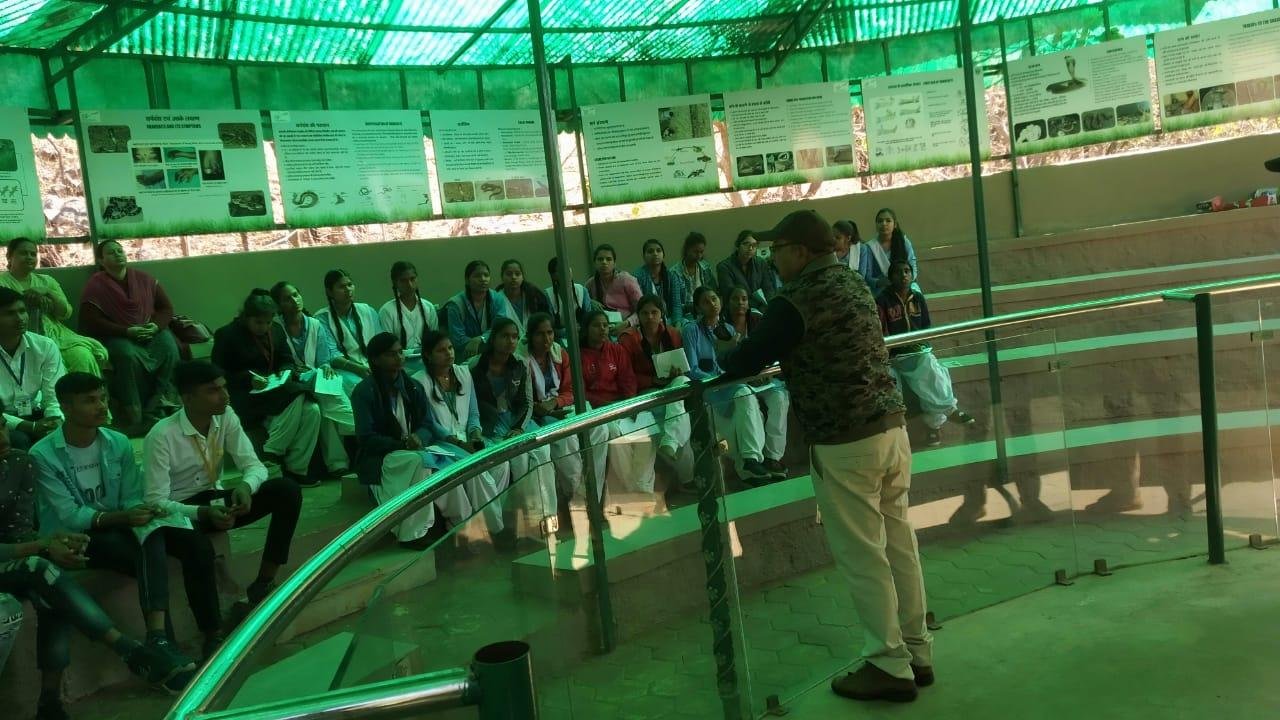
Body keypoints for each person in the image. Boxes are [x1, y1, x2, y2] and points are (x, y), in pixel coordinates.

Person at [722, 209, 931, 703]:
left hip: (846, 444)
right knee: (899, 543)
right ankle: (917, 651)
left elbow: (747, 358)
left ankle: (888, 663)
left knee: (864, 556)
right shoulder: (855, 283)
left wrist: (716, 359)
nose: (771, 259)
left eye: (777, 250)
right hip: (891, 430)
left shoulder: (794, 299)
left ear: (800, 252)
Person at [2, 422, 196, 714]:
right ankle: (130, 651)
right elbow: (39, 538)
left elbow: (21, 529)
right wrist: (42, 546)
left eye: (1, 426)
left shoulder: (18, 461)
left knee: (49, 592)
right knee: (41, 569)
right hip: (19, 560)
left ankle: (50, 701)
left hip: (23, 555)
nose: (1, 436)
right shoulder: (40, 454)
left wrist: (56, 544)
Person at [28, 373, 202, 697]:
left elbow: (131, 496)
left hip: (114, 525)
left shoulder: (117, 441)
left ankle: (159, 641)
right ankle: (166, 648)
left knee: (154, 534)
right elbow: (70, 515)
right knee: (143, 555)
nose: (101, 406)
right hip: (74, 538)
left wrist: (141, 512)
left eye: (103, 398)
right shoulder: (43, 454)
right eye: (90, 400)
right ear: (65, 406)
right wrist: (124, 516)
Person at [144, 361, 303, 632]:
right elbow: (155, 502)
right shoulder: (161, 435)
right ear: (187, 398)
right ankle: (212, 632)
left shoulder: (226, 415)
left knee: (287, 490)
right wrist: (202, 513)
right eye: (213, 391)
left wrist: (246, 487)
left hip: (214, 499)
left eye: (223, 387)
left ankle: (264, 582)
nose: (224, 396)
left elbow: (254, 465)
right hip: (180, 512)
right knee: (199, 548)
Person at [352, 333, 473, 551]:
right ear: (376, 359)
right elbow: (366, 438)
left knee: (446, 465)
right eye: (391, 354)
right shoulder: (364, 391)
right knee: (421, 462)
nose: (399, 357)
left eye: (400, 352)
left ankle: (462, 522)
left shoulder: (412, 386)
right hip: (383, 456)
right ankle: (413, 533)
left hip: (414, 450)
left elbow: (426, 424)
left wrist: (418, 437)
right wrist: (402, 444)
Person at [212, 290, 322, 487]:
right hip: (245, 395)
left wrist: (285, 370)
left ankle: (297, 468)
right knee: (297, 394)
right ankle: (273, 450)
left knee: (313, 410)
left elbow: (286, 359)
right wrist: (248, 379)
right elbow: (219, 373)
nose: (264, 327)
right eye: (258, 322)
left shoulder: (276, 330)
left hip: (275, 390)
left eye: (268, 322)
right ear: (246, 317)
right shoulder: (227, 334)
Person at [415, 331, 511, 545]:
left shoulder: (463, 373)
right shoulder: (419, 381)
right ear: (428, 355)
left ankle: (485, 521)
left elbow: (474, 413)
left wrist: (475, 435)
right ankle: (494, 529)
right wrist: (460, 443)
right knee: (476, 471)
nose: (449, 353)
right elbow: (431, 424)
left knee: (502, 464)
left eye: (450, 348)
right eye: (441, 350)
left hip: (468, 437)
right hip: (443, 443)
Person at [682, 287, 786, 485]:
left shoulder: (729, 330)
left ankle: (752, 461)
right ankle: (751, 460)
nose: (712, 304)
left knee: (762, 394)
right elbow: (692, 370)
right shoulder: (691, 330)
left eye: (714, 299)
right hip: (709, 389)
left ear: (720, 301)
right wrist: (719, 380)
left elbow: (736, 364)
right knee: (744, 394)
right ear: (698, 307)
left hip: (730, 386)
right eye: (705, 302)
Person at [78, 240, 181, 433]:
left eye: (120, 250)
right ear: (101, 260)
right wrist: (126, 331)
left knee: (169, 346)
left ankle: (161, 404)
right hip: (118, 335)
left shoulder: (145, 279)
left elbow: (166, 308)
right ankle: (134, 414)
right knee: (126, 355)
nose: (118, 254)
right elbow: (92, 321)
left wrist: (155, 326)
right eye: (111, 252)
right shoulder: (96, 286)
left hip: (150, 331)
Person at [523, 313, 611, 534]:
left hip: (563, 407)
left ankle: (592, 496)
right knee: (567, 439)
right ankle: (579, 503)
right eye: (540, 334)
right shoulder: (521, 359)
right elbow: (523, 400)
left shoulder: (559, 353)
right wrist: (544, 407)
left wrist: (556, 402)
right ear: (530, 336)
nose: (546, 339)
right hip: (539, 416)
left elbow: (572, 389)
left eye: (550, 333)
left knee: (601, 429)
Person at [469, 318, 555, 536]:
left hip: (517, 421)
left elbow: (527, 401)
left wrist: (518, 428)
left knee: (542, 453)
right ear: (493, 338)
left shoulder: (520, 363)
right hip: (490, 425)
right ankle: (519, 522)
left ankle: (546, 517)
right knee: (518, 459)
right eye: (505, 336)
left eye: (515, 337)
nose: (511, 341)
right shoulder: (474, 366)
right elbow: (471, 405)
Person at [876, 261, 975, 447]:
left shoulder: (918, 298)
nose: (903, 275)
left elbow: (926, 326)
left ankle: (934, 427)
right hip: (895, 355)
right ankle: (948, 409)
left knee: (934, 371)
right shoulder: (882, 300)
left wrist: (921, 344)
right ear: (890, 277)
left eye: (907, 271)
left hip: (918, 350)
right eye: (898, 272)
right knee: (927, 369)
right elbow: (882, 331)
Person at [272, 281, 354, 479]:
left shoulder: (314, 324)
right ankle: (356, 423)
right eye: (287, 299)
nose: (294, 300)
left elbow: (324, 359)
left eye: (296, 294)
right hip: (292, 384)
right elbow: (278, 363)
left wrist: (325, 366)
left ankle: (337, 464)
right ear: (278, 305)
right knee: (326, 400)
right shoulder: (275, 328)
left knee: (323, 408)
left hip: (314, 378)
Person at [0, 237, 109, 377]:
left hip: (57, 335)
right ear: (9, 256)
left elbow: (66, 313)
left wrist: (48, 292)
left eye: (33, 254)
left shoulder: (46, 281)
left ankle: (88, 391)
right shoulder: (2, 282)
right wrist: (32, 299)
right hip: (19, 336)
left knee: (82, 356)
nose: (29, 257)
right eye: (23, 253)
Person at [0, 287, 64, 451]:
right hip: (4, 420)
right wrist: (30, 426)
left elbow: (54, 394)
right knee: (19, 440)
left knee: (62, 433)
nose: (20, 318)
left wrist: (54, 419)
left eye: (22, 311)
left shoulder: (44, 346)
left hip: (37, 411)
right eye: (9, 313)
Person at [313, 269, 380, 382]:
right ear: (329, 292)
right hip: (344, 369)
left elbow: (381, 342)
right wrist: (357, 368)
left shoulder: (367, 310)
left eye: (350, 284)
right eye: (341, 287)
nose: (348, 289)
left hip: (374, 364)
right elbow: (331, 354)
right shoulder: (322, 318)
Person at [444, 261, 515, 362]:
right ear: (467, 280)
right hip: (465, 356)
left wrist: (480, 339)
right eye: (477, 276)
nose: (483, 279)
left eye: (486, 275)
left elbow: (499, 328)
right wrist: (476, 343)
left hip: (493, 354)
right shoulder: (456, 304)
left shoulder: (497, 299)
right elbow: (457, 339)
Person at [377, 261, 439, 376]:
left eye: (412, 279)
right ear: (395, 283)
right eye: (404, 281)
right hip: (399, 364)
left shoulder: (428, 307)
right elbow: (387, 347)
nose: (409, 285)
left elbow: (435, 340)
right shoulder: (387, 311)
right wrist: (414, 351)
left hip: (427, 360)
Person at [716, 230, 779, 312]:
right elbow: (730, 295)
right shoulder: (724, 267)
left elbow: (768, 289)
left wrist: (768, 307)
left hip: (763, 310)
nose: (750, 248)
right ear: (738, 245)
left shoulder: (761, 263)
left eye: (754, 245)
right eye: (746, 244)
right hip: (737, 311)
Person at [862, 208, 920, 294]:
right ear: (876, 225)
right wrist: (880, 282)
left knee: (916, 295)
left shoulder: (903, 242)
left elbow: (912, 264)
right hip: (881, 289)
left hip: (905, 284)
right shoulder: (870, 247)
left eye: (888, 221)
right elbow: (868, 276)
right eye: (880, 221)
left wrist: (908, 280)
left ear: (895, 224)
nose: (884, 224)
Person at [633, 239, 688, 325]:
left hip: (669, 319)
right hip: (648, 319)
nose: (655, 254)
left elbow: (676, 304)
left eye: (658, 250)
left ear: (663, 255)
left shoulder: (672, 276)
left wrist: (677, 324)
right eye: (650, 251)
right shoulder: (637, 277)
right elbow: (638, 306)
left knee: (686, 325)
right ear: (644, 257)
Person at [586, 244, 642, 328]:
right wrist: (589, 301)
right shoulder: (591, 283)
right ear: (595, 263)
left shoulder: (626, 280)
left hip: (626, 326)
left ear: (614, 263)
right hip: (601, 328)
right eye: (600, 259)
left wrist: (627, 323)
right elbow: (580, 303)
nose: (604, 262)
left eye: (608, 259)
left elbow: (642, 309)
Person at [544, 257, 593, 342]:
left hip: (582, 334)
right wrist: (567, 331)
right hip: (559, 338)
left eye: (568, 268)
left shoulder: (582, 290)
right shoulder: (548, 294)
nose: (566, 272)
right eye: (560, 270)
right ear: (553, 275)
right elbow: (549, 326)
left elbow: (590, 318)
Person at [498, 259, 549, 332]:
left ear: (522, 277)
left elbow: (545, 320)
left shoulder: (534, 295)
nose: (514, 277)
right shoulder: (496, 299)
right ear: (502, 277)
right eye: (509, 274)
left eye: (517, 274)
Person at [670, 231, 714, 302]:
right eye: (695, 252)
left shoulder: (706, 269)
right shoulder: (674, 273)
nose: (699, 256)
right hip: (684, 308)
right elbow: (675, 301)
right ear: (687, 250)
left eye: (701, 252)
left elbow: (713, 292)